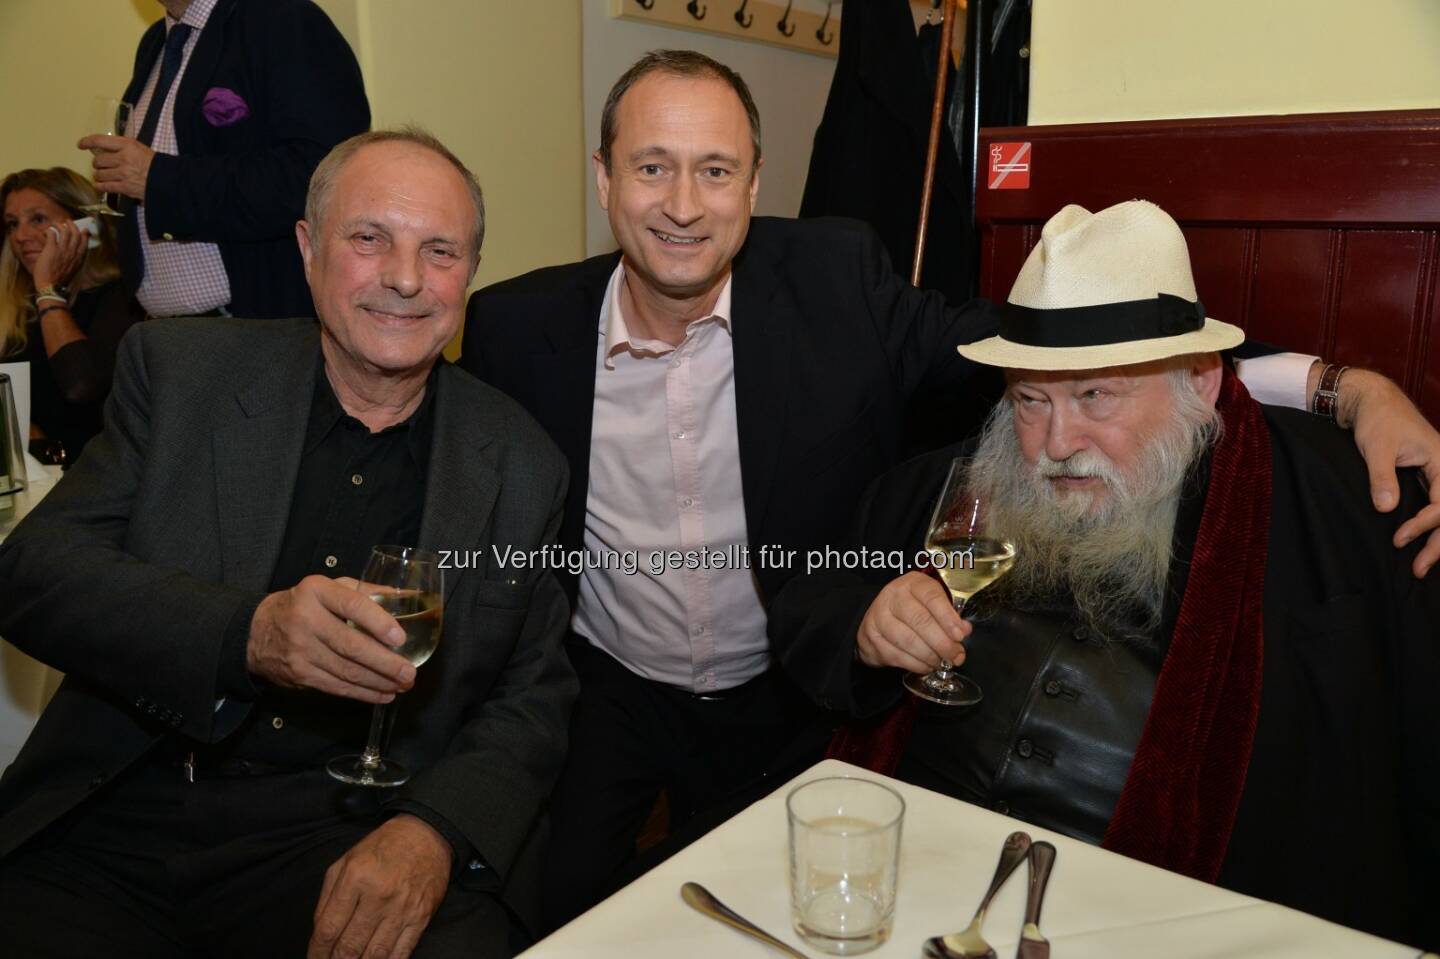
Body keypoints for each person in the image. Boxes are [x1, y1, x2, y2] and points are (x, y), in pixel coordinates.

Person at [459, 50, 1440, 927]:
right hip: (613, 690)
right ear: (603, 178)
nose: (682, 202)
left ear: (755, 183)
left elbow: (1080, 341)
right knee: (560, 917)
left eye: (714, 169)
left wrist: (1344, 385)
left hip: (772, 700)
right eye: (651, 166)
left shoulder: (836, 281)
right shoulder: (514, 328)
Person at [768, 200, 1440, 948]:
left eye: (1096, 394)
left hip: (1155, 915)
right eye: (1029, 399)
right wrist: (865, 626)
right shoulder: (951, 487)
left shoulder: (1326, 507)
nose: (1057, 442)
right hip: (920, 875)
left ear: (1201, 381)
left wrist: (1356, 387)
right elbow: (808, 596)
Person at [0, 129, 576, 959]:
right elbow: (35, 572)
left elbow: (534, 696)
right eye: (369, 238)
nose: (406, 278)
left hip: (349, 832)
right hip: (129, 805)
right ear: (308, 249)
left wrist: (433, 832)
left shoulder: (522, 461)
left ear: (470, 274)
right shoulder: (179, 374)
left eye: (440, 250)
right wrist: (249, 635)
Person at [79, 0, 369, 319]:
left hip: (260, 327)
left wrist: (158, 179)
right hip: (165, 333)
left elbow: (321, 174)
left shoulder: (283, 19)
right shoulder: (155, 42)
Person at [1, 168, 145, 462]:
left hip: (97, 474)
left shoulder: (121, 296)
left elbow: (81, 386)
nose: (21, 236)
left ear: (86, 227)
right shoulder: (13, 305)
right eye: (12, 224)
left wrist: (48, 290)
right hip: (28, 473)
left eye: (38, 219)